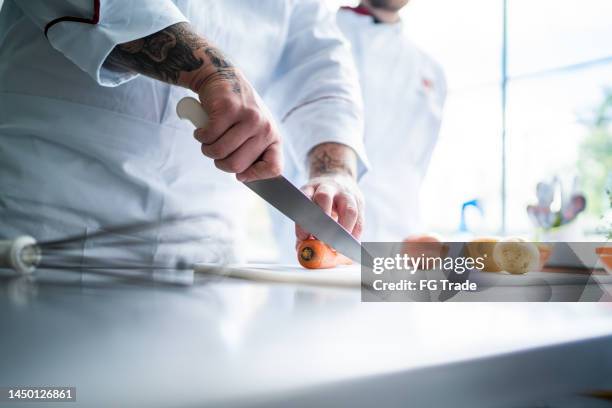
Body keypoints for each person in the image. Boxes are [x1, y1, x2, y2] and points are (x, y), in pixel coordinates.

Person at [0, 0, 368, 265]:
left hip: (205, 257)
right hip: (42, 239)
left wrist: (334, 170)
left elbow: (321, 70)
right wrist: (212, 72)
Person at [271, 0, 446, 263]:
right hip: (314, 239)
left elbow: (418, 165)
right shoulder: (313, 38)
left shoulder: (431, 71)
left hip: (399, 244)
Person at [338, 0, 446, 241]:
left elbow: (421, 161)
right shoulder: (316, 40)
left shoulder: (430, 71)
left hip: (402, 234)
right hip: (317, 229)